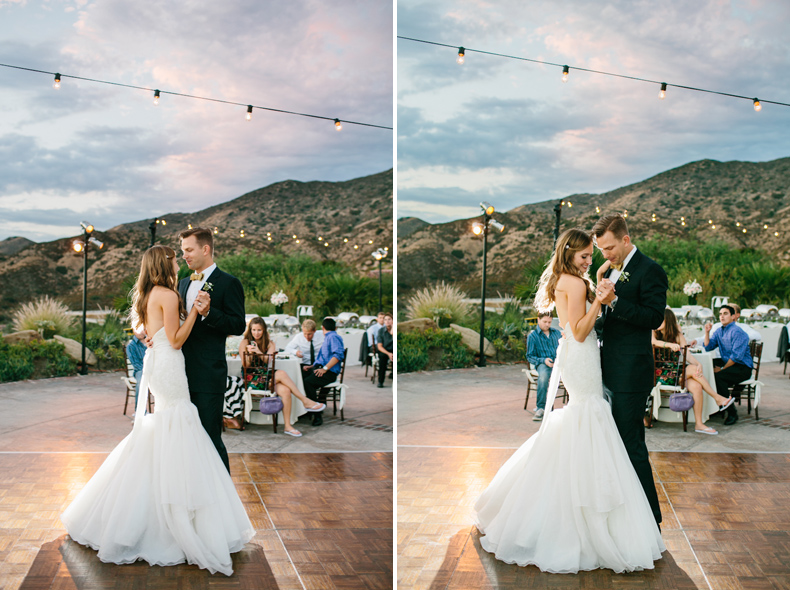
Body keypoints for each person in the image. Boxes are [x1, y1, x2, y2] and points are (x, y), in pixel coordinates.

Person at [474, 228, 665, 573]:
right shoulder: (575, 283)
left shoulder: (568, 279)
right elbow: (578, 329)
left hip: (579, 355)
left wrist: (598, 283)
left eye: (594, 255)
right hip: (581, 352)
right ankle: (596, 510)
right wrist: (600, 302)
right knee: (589, 417)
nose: (591, 260)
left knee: (584, 420)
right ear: (569, 254)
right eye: (585, 256)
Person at [61, 245, 254, 576]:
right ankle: (175, 515)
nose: (180, 260)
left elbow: (149, 327)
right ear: (166, 264)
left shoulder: (151, 292)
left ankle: (158, 506)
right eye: (176, 257)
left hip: (161, 363)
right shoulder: (167, 292)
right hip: (169, 363)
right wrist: (194, 311)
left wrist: (147, 332)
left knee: (168, 429)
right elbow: (177, 340)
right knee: (178, 425)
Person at [593, 213, 667, 529]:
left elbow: (653, 318)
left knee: (631, 443)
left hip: (631, 373)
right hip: (609, 369)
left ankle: (650, 519)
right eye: (601, 250)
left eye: (609, 247)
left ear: (625, 239)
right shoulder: (610, 269)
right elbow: (608, 321)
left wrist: (615, 301)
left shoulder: (651, 270)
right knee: (617, 443)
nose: (605, 255)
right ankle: (627, 514)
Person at [177, 227, 246, 474]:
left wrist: (209, 313)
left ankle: (223, 498)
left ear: (205, 249)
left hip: (208, 374)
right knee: (185, 440)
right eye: (183, 250)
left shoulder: (229, 283)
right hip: (178, 375)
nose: (184, 255)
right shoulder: (182, 283)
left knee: (210, 439)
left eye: (189, 250)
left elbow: (238, 325)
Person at [652, 308, 734, 435]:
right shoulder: (654, 333)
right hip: (661, 375)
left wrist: (698, 363)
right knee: (692, 370)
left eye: (660, 319)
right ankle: (717, 398)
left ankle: (699, 424)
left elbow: (687, 354)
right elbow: (653, 342)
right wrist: (669, 345)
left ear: (667, 321)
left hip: (676, 374)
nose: (656, 321)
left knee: (696, 386)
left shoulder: (677, 336)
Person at [238, 316, 325, 436]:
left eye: (259, 330)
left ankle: (288, 426)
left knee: (286, 391)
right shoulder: (244, 342)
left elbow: (268, 362)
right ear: (250, 330)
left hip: (265, 377)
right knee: (281, 373)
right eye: (253, 330)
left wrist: (258, 351)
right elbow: (245, 365)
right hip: (251, 379)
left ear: (263, 330)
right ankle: (305, 400)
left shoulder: (270, 343)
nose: (256, 333)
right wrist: (248, 353)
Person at [704, 305, 753, 426]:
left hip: (742, 367)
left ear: (733, 316)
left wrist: (720, 369)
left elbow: (736, 357)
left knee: (718, 376)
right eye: (720, 314)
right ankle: (715, 406)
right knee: (706, 367)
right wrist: (707, 332)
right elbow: (708, 347)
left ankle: (731, 412)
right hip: (729, 363)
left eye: (725, 313)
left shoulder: (738, 333)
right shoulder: (719, 331)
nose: (722, 316)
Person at [302, 318, 345, 427]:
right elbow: (325, 357)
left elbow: (338, 355)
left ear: (322, 328)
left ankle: (317, 414)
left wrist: (324, 369)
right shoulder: (329, 337)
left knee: (308, 383)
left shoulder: (333, 337)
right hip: (323, 368)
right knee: (301, 376)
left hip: (329, 372)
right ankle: (306, 409)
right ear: (335, 328)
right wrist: (312, 366)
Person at [526, 311, 562, 421]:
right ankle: (541, 408)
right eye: (545, 321)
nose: (547, 324)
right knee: (543, 378)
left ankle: (573, 407)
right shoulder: (533, 336)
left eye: (549, 322)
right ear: (538, 320)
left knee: (573, 374)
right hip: (543, 364)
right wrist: (544, 360)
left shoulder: (557, 333)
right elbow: (530, 356)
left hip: (558, 363)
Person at [126, 328, 146, 416]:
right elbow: (136, 364)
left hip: (154, 369)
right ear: (134, 330)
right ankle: (140, 411)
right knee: (141, 382)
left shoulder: (151, 341)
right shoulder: (131, 346)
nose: (142, 332)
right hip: (140, 371)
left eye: (143, 329)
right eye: (139, 330)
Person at [375, 312, 393, 388]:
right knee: (382, 359)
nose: (387, 321)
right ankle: (380, 381)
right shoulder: (381, 331)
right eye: (385, 320)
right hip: (385, 351)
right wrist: (388, 354)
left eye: (389, 319)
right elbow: (379, 346)